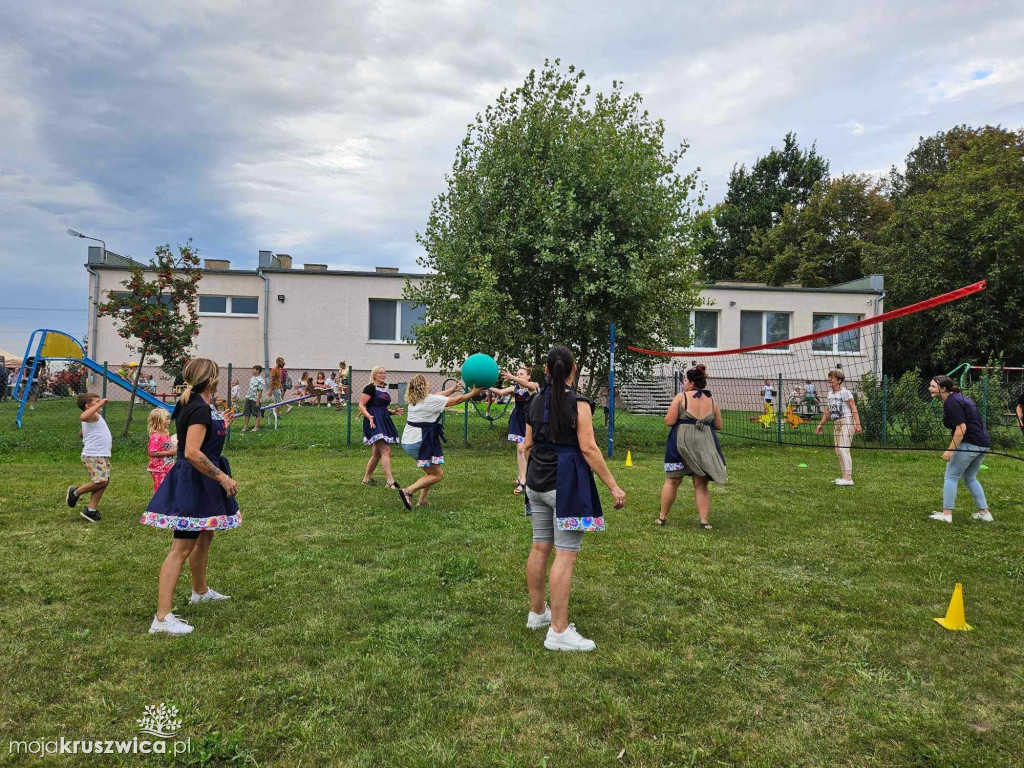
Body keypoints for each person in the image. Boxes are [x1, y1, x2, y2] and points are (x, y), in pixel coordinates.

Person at [523, 346, 626, 652]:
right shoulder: (579, 404)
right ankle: (558, 630)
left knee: (540, 547)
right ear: (574, 368)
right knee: (565, 554)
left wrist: (526, 478)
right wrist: (613, 486)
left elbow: (527, 445)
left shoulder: (534, 399)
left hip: (536, 481)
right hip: (564, 485)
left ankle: (538, 613)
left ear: (545, 369)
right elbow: (589, 448)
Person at [141, 358, 239, 636]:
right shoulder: (197, 407)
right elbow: (192, 453)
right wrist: (222, 477)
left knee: (205, 536)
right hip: (196, 480)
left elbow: (203, 440)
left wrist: (223, 425)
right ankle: (162, 618)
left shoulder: (199, 405)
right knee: (181, 548)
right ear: (212, 379)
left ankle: (200, 591)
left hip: (204, 481)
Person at [658, 364, 727, 528]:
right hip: (705, 445)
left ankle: (662, 518)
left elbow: (669, 421)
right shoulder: (712, 401)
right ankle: (704, 521)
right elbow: (718, 425)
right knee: (701, 483)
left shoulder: (681, 397)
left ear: (690, 383)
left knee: (672, 481)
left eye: (685, 381)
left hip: (681, 443)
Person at [397, 376, 481, 509]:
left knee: (430, 472)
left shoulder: (416, 399)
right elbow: (456, 401)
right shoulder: (430, 400)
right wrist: (473, 393)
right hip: (420, 442)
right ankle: (407, 491)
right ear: (423, 387)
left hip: (410, 441)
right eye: (427, 381)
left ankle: (423, 501)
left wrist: (452, 389)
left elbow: (437, 396)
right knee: (436, 475)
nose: (430, 382)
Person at [927, 376, 993, 523]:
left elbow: (961, 428)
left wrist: (950, 450)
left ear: (943, 389)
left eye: (932, 386)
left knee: (951, 477)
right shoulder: (958, 398)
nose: (929, 389)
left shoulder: (951, 402)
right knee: (970, 478)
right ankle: (984, 513)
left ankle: (946, 514)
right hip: (982, 442)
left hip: (970, 443)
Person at [490, 367, 540, 494]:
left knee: (530, 449)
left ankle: (529, 476)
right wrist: (485, 385)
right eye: (517, 374)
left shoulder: (533, 385)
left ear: (528, 376)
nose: (518, 376)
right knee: (520, 448)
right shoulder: (515, 389)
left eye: (521, 374)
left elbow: (527, 385)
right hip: (517, 420)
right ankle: (523, 480)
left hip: (531, 420)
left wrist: (512, 377)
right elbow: (500, 392)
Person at [65, 393, 111, 522]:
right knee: (101, 481)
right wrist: (100, 405)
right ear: (88, 406)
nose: (100, 402)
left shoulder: (95, 417)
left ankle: (90, 510)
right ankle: (75, 493)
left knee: (103, 482)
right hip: (93, 455)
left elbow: (82, 433)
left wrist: (84, 432)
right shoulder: (91, 415)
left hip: (102, 454)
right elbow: (83, 417)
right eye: (97, 401)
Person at [814, 370, 861, 485]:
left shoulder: (846, 393)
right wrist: (820, 424)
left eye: (832, 377)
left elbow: (854, 408)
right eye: (829, 377)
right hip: (836, 423)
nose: (830, 379)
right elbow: (827, 411)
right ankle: (844, 477)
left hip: (847, 421)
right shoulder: (830, 394)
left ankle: (848, 479)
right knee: (838, 450)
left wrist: (858, 424)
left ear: (839, 381)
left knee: (843, 448)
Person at [359, 366, 403, 487]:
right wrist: (369, 416)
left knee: (377, 453)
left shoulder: (384, 388)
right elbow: (361, 405)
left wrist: (393, 412)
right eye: (380, 373)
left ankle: (366, 479)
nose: (383, 375)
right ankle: (390, 481)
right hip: (374, 421)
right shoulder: (370, 388)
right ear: (374, 375)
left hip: (384, 420)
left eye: (384, 373)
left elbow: (381, 408)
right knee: (386, 450)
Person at [146, 408, 176, 492]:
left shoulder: (166, 433)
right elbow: (152, 452)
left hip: (167, 466)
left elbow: (165, 446)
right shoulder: (156, 436)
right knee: (160, 489)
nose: (169, 420)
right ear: (159, 421)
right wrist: (169, 452)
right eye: (167, 419)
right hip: (158, 468)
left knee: (169, 487)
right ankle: (158, 503)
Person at [240, 365, 264, 432]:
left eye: (254, 369)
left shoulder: (261, 380)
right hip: (249, 397)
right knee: (247, 413)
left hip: (255, 399)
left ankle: (256, 427)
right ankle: (245, 427)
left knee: (257, 413)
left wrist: (258, 401)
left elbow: (260, 391)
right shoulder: (252, 378)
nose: (252, 371)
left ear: (258, 371)